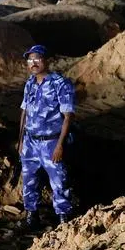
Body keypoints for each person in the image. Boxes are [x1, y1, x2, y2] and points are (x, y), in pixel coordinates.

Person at [17, 44, 77, 229]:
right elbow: (24, 112)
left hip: (51, 141)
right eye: (30, 60)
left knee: (59, 181)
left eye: (37, 59)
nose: (33, 63)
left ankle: (63, 219)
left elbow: (68, 116)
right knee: (29, 180)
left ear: (47, 61)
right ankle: (31, 216)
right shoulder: (30, 83)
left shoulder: (61, 83)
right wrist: (20, 141)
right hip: (30, 142)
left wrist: (60, 145)